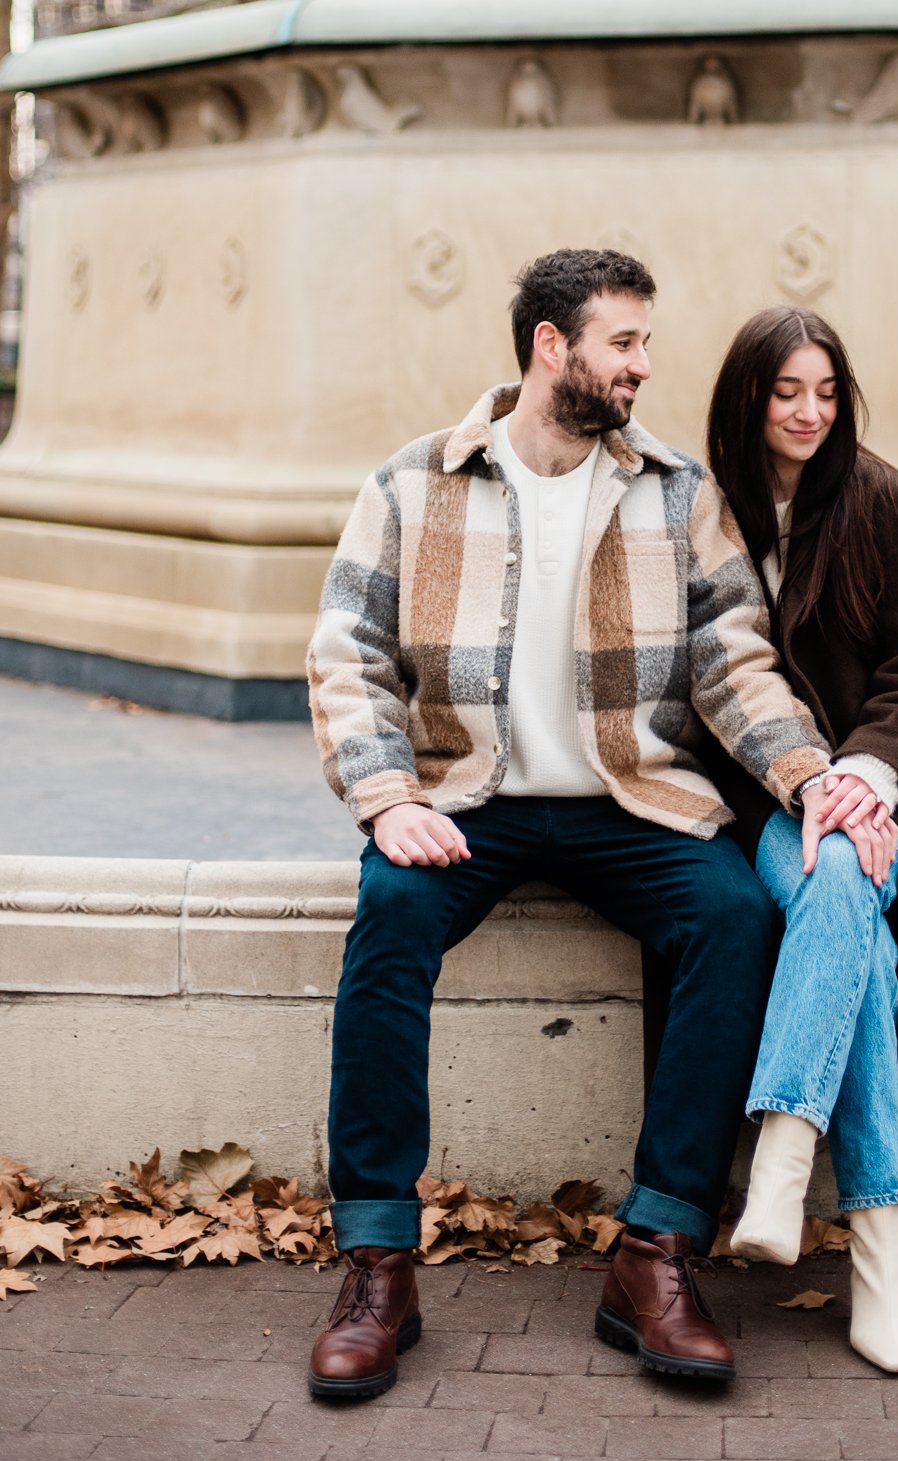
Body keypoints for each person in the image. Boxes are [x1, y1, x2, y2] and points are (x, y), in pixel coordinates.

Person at [304, 249, 839, 1401]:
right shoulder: (412, 485)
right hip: (464, 801)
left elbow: (732, 664)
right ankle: (378, 1266)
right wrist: (388, 799)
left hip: (625, 799)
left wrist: (807, 776)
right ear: (554, 348)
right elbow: (346, 656)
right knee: (388, 921)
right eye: (625, 342)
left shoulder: (672, 491)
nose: (644, 366)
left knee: (735, 918)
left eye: (644, 342)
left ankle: (653, 1252)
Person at [704, 306, 898, 1374]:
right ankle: (881, 1250)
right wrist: (802, 782)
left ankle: (783, 1153)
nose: (809, 412)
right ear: (748, 396)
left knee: (840, 870)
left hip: (888, 794)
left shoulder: (882, 501)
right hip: (761, 800)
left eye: (825, 392)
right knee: (853, 933)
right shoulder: (705, 510)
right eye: (787, 392)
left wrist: (865, 776)